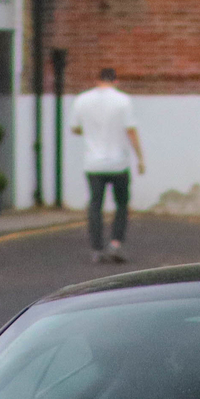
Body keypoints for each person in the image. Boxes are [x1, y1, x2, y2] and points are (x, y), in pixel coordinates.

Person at [68, 65, 145, 263]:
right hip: (119, 163)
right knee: (121, 204)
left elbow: (75, 129)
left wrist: (92, 133)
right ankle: (116, 244)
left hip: (93, 163)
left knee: (95, 205)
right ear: (116, 81)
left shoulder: (82, 100)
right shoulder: (123, 101)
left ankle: (96, 248)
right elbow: (131, 131)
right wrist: (140, 158)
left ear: (97, 80)